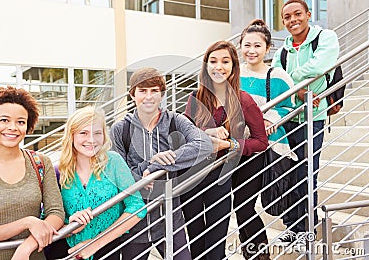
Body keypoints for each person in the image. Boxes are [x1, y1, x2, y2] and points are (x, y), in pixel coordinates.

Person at [110, 67, 213, 260]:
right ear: (132, 94)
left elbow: (204, 144)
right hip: (134, 221)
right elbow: (117, 172)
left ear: (162, 94)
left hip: (170, 219)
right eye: (142, 91)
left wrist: (159, 165)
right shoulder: (120, 129)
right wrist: (140, 176)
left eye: (154, 91)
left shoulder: (176, 121)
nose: (148, 97)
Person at [182, 40, 268, 260]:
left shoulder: (243, 101)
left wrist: (231, 144)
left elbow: (261, 141)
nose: (218, 66)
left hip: (221, 176)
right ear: (205, 66)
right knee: (195, 238)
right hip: (193, 175)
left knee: (215, 242)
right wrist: (206, 134)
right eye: (213, 61)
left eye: (225, 61)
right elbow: (183, 135)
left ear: (233, 66)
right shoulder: (195, 98)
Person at [271, 0, 340, 243]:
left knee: (307, 172)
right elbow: (274, 79)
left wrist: (291, 82)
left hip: (313, 117)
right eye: (287, 17)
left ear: (308, 14)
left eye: (297, 14)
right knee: (288, 173)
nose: (293, 20)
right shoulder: (282, 51)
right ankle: (292, 227)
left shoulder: (326, 38)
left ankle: (306, 229)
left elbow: (321, 65)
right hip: (287, 116)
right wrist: (297, 88)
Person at [0, 86, 65, 260]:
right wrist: (26, 223)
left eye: (20, 122)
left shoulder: (41, 163)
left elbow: (56, 213)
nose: (13, 127)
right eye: (4, 120)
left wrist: (26, 247)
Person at [44, 106, 146, 260]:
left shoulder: (113, 162)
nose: (92, 140)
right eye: (83, 133)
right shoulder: (58, 172)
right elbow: (46, 216)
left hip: (106, 250)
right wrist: (69, 227)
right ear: (71, 136)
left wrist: (95, 243)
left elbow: (137, 207)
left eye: (97, 133)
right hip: (64, 251)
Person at [237, 19, 297, 259]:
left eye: (257, 46)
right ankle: (253, 253)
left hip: (262, 148)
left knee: (244, 204)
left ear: (268, 48)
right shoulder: (233, 74)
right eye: (247, 45)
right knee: (240, 205)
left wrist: (271, 119)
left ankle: (258, 254)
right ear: (240, 46)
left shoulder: (277, 75)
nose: (251, 50)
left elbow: (288, 107)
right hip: (234, 147)